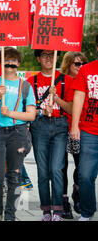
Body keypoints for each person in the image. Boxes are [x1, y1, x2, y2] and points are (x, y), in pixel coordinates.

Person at [0, 47, 36, 221]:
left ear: (19, 63)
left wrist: (11, 114)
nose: (10, 64)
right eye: (7, 60)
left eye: (14, 61)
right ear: (1, 62)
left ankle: (10, 215)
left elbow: (31, 114)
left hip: (18, 132)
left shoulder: (26, 86)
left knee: (14, 176)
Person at [26, 49, 74, 221]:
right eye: (44, 55)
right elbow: (28, 108)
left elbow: (70, 108)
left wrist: (56, 99)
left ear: (58, 57)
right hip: (39, 126)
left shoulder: (66, 80)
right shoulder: (32, 81)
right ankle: (46, 210)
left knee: (56, 169)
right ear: (38, 58)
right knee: (42, 171)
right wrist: (40, 111)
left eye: (52, 55)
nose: (48, 58)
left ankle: (58, 211)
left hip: (60, 125)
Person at [70, 35, 98, 221]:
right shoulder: (86, 70)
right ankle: (87, 212)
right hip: (89, 131)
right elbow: (79, 97)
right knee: (85, 175)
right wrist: (74, 126)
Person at [59, 51, 88, 218]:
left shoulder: (88, 80)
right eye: (77, 64)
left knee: (82, 166)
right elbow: (67, 107)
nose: (80, 66)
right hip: (63, 128)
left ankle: (77, 190)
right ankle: (63, 200)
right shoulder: (62, 81)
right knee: (61, 166)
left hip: (82, 128)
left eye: (82, 63)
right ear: (68, 64)